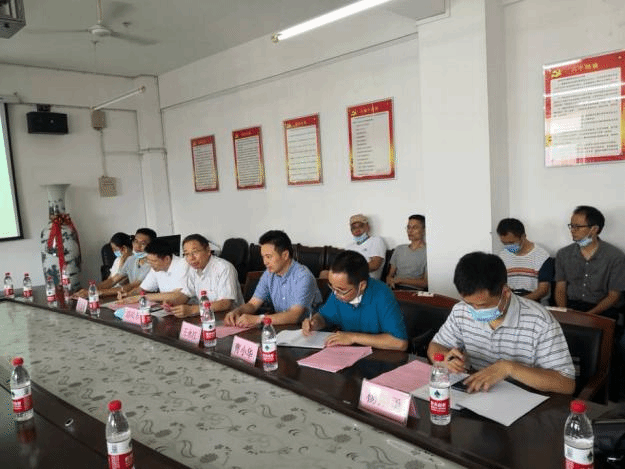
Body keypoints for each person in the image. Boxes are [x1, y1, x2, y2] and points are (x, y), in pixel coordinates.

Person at [427, 251, 575, 394]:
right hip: (476, 391)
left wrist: (508, 368)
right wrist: (445, 360)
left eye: (483, 305)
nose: (475, 310)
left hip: (522, 397)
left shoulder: (540, 321)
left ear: (506, 292)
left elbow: (566, 384)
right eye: (470, 304)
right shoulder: (461, 310)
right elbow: (435, 346)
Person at [303, 250, 408, 351]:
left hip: (378, 355)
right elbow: (325, 317)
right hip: (346, 353)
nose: (335, 294)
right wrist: (315, 322)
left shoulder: (382, 295)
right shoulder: (338, 292)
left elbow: (400, 343)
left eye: (341, 290)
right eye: (332, 287)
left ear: (362, 286)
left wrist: (352, 337)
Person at [224, 230, 321, 327]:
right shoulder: (269, 274)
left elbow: (294, 316)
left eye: (268, 257)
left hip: (305, 330)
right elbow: (253, 304)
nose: (265, 262)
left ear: (285, 255)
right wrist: (237, 311)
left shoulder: (303, 276)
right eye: (263, 257)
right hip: (280, 327)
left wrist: (258, 319)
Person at [555, 205, 625, 317]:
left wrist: (587, 316)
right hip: (571, 306)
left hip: (601, 309)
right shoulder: (563, 254)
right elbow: (560, 288)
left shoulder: (615, 257)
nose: (572, 230)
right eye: (571, 226)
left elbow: (614, 296)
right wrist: (563, 312)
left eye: (578, 226)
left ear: (594, 229)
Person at [164, 234, 244, 318]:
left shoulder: (224, 268)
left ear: (208, 250)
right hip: (206, 316)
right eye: (186, 254)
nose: (191, 258)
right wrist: (174, 302)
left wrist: (192, 310)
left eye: (195, 252)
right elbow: (187, 294)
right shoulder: (192, 269)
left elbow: (225, 303)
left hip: (229, 317)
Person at [74, 228, 156, 298]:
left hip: (148, 299)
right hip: (131, 297)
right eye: (136, 241)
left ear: (152, 245)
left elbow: (132, 286)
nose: (137, 246)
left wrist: (97, 293)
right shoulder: (131, 259)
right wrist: (92, 289)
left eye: (143, 243)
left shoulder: (152, 264)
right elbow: (113, 280)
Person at [496, 218, 553, 302]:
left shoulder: (542, 256)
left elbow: (543, 290)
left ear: (523, 236)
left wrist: (520, 301)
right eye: (504, 243)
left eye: (511, 243)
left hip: (534, 302)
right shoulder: (502, 256)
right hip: (510, 301)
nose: (508, 246)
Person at [118, 237, 189, 303]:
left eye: (154, 261)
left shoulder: (183, 265)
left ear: (167, 259)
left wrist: (143, 297)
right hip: (168, 307)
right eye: (148, 261)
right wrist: (128, 295)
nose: (151, 265)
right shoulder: (155, 269)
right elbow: (142, 288)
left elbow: (178, 295)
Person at [386, 214, 427, 290]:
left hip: (413, 290)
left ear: (424, 230)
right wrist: (389, 280)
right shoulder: (399, 249)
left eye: (415, 227)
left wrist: (401, 280)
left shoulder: (428, 252)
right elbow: (389, 276)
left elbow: (425, 283)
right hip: (395, 288)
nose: (410, 231)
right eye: (408, 227)